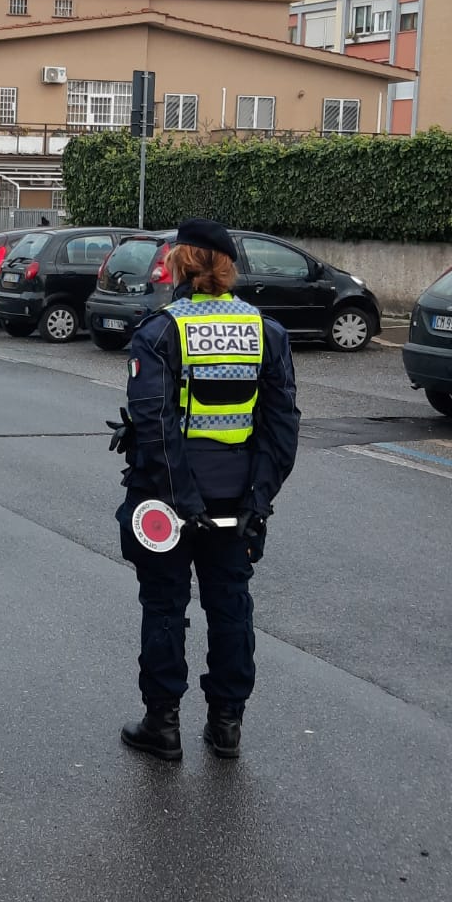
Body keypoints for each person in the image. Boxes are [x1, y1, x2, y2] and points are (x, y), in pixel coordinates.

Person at [112, 218, 299, 761]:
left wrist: (182, 499)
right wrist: (257, 499)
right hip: (235, 501)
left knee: (165, 606)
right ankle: (226, 726)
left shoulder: (161, 331)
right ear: (226, 267)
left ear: (180, 263)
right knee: (231, 606)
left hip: (169, 503)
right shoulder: (267, 332)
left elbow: (156, 425)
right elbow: (281, 427)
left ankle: (162, 724)